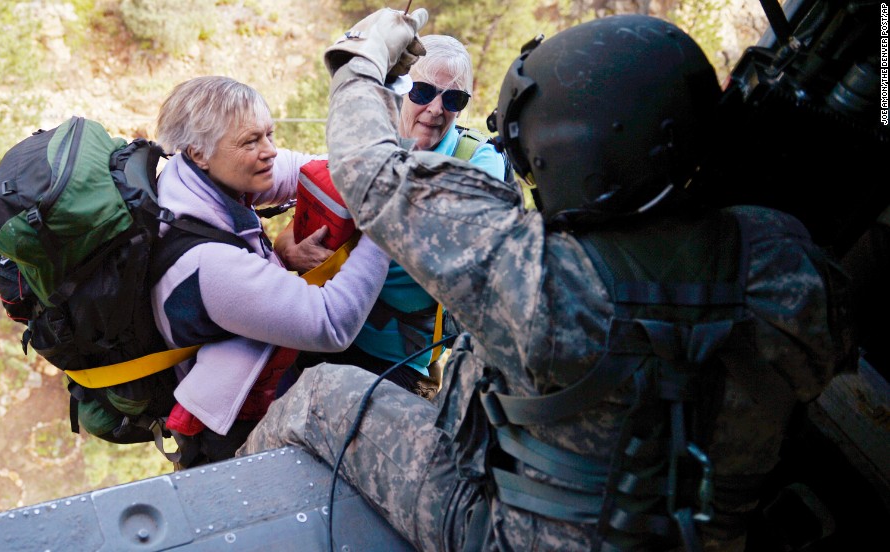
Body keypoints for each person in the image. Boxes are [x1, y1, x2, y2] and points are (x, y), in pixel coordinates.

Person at [237, 11, 854, 552]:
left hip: (514, 535)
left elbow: (370, 174)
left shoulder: (542, 278)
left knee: (320, 396)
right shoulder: (791, 267)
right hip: (708, 535)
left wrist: (360, 56)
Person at [150, 76, 389, 467]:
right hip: (231, 431)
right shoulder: (208, 262)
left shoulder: (194, 180)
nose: (270, 151)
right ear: (198, 152)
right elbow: (331, 323)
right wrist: (385, 223)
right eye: (251, 141)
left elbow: (303, 170)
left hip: (254, 376)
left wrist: (367, 170)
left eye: (270, 134)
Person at [276, 34, 508, 400]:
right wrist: (289, 249)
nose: (435, 109)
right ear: (401, 88)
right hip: (319, 336)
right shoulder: (370, 142)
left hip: (397, 366)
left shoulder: (478, 161)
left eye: (453, 98)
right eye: (422, 91)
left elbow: (460, 241)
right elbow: (310, 217)